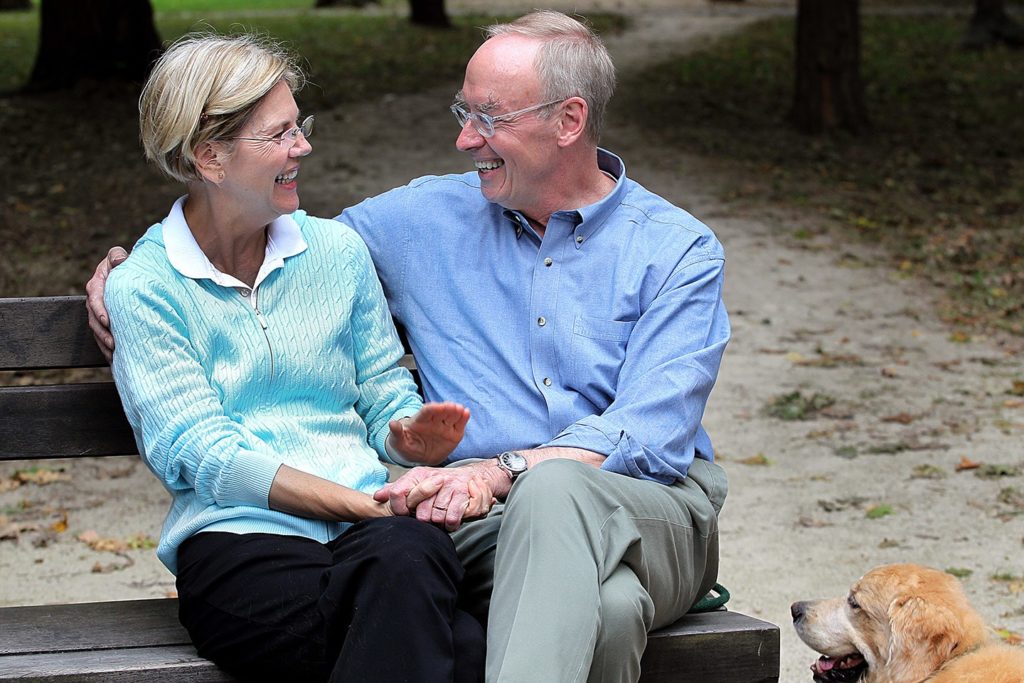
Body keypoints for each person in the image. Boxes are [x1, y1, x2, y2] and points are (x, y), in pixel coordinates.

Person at [88, 11, 730, 683]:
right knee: (613, 609)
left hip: (646, 510)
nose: (462, 139)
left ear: (569, 120)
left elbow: (650, 433)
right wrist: (127, 269)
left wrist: (499, 468)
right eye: (463, 112)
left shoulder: (675, 249)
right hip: (482, 519)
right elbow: (249, 229)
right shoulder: (418, 220)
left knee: (555, 489)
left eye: (488, 118)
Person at [100, 32, 486, 683]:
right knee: (467, 648)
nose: (302, 146)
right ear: (210, 156)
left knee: (405, 567)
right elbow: (207, 453)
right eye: (279, 134)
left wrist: (409, 438)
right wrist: (358, 502)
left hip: (380, 539)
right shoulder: (146, 286)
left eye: (298, 126)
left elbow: (384, 393)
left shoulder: (335, 251)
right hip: (243, 546)